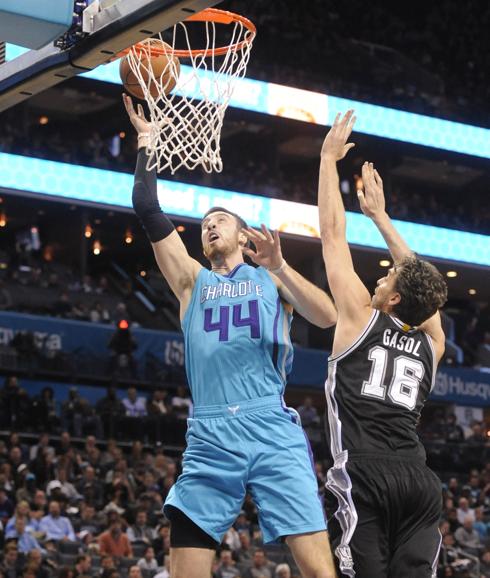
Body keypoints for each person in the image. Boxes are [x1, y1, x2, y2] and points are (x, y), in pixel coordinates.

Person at [123, 93, 338, 578]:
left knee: (320, 572)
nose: (209, 226)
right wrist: (146, 142)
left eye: (219, 220)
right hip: (210, 432)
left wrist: (281, 264)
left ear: (244, 236)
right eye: (204, 224)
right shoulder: (191, 282)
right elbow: (146, 206)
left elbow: (326, 317)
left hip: (269, 426)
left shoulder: (272, 275)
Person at [318, 111, 447, 577]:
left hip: (365, 474)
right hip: (418, 481)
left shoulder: (358, 319)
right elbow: (425, 290)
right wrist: (381, 216)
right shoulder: (431, 344)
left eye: (387, 276)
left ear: (393, 298)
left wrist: (327, 161)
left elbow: (332, 236)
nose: (381, 272)